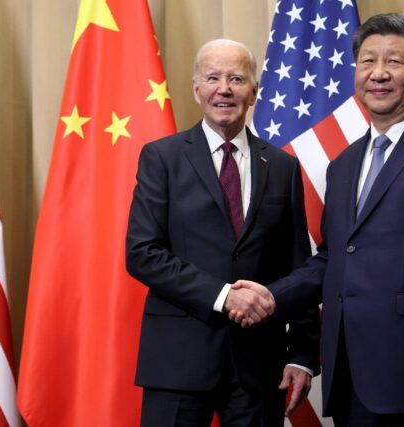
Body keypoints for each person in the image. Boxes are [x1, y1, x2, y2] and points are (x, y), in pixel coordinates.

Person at [231, 13, 404, 427]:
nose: (378, 74)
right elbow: (332, 257)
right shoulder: (343, 164)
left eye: (394, 62)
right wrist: (272, 296)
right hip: (353, 377)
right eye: (367, 62)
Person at [125, 39, 320, 427]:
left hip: (259, 367)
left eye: (236, 78)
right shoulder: (161, 157)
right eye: (212, 77)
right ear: (197, 89)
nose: (224, 88)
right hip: (178, 363)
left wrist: (301, 354)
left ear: (254, 91)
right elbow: (142, 253)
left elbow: (298, 268)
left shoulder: (282, 167)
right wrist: (223, 296)